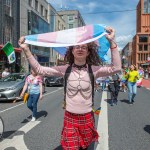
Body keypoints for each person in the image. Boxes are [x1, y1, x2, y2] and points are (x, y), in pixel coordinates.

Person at [18, 26, 121, 150]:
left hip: (87, 118)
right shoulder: (65, 69)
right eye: (77, 46)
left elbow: (116, 68)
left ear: (88, 52)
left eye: (84, 47)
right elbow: (39, 69)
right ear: (71, 51)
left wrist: (112, 41)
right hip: (70, 118)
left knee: (84, 148)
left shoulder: (94, 70)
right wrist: (26, 50)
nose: (80, 49)